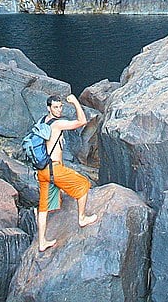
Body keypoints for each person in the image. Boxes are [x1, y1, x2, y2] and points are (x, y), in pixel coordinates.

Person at [36, 93, 98, 252]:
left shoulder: (43, 121)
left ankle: (42, 242)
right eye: (55, 107)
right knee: (84, 184)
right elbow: (82, 121)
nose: (58, 109)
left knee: (43, 208)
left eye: (60, 106)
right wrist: (75, 102)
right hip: (54, 169)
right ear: (48, 108)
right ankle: (82, 218)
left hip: (43, 170)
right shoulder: (57, 124)